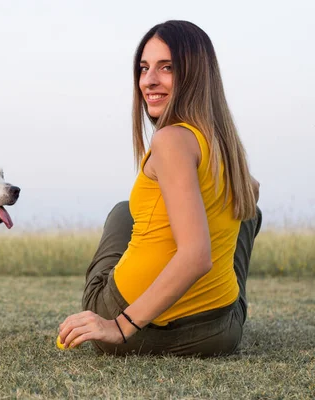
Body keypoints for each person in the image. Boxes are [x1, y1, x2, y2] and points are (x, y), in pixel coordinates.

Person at [57, 20, 263, 356]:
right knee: (247, 213)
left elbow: (197, 257)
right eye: (144, 68)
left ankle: (131, 313)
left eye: (166, 67)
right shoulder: (224, 147)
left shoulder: (170, 140)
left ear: (195, 74)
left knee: (124, 211)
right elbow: (251, 192)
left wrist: (119, 325)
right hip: (216, 334)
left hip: (131, 329)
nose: (149, 80)